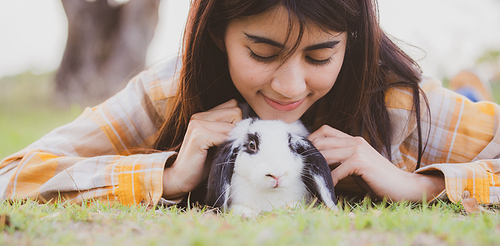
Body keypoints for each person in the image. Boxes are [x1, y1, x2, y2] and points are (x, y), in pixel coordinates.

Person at [1, 0, 499, 207]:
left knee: (472, 106)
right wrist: (168, 176)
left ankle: (473, 89)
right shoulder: (168, 92)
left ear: (352, 43)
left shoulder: (397, 101)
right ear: (218, 35)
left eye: (320, 55)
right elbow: (13, 175)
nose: (289, 85)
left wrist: (419, 185)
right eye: (262, 52)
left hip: (450, 111)